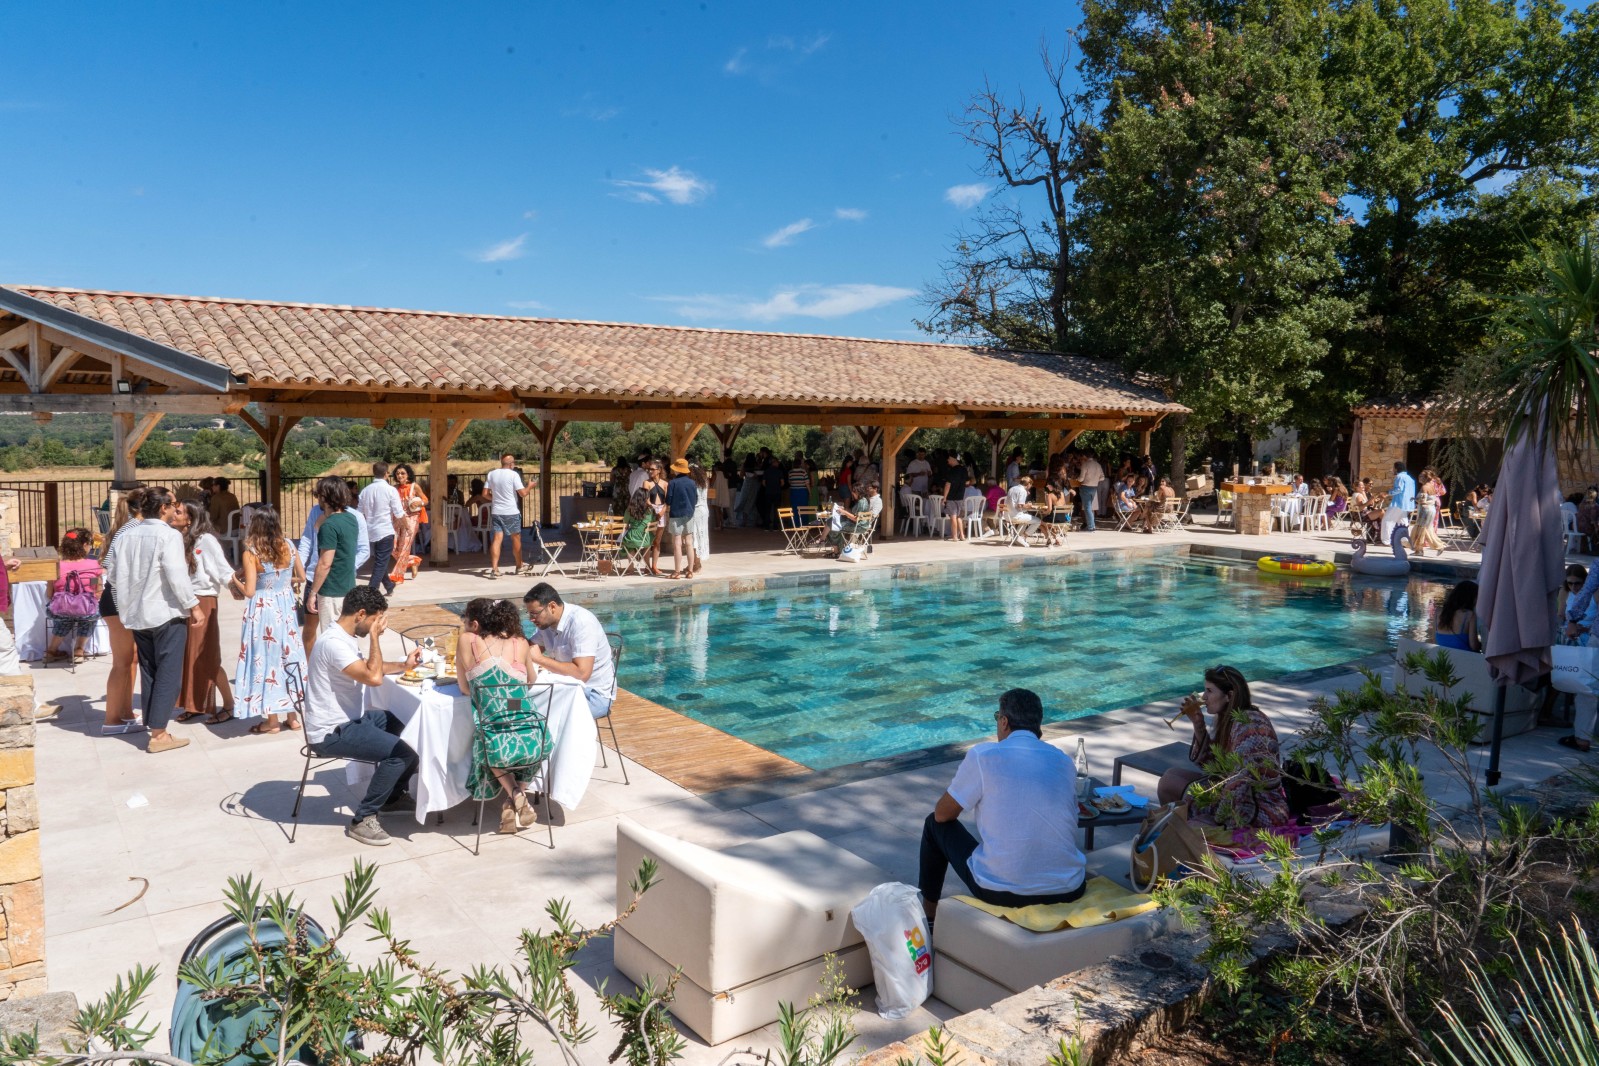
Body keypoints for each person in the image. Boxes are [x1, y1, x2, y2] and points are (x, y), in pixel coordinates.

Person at [918, 689, 1086, 923]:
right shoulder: (1063, 761)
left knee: (933, 825)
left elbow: (942, 814)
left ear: (1004, 721)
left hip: (1002, 891)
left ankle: (929, 916)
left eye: (997, 717)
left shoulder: (983, 756)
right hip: (1069, 888)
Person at [304, 587, 422, 847]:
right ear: (360, 614)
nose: (378, 626)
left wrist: (404, 666)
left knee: (409, 725)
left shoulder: (342, 636)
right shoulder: (334, 643)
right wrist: (375, 639)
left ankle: (392, 797)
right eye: (376, 620)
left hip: (351, 719)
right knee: (402, 753)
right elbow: (374, 678)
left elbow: (368, 668)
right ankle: (363, 818)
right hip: (331, 731)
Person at [104, 487, 204, 754]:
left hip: (136, 614)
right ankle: (159, 734)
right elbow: (176, 574)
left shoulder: (126, 535)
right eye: (174, 504)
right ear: (163, 508)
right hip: (164, 612)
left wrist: (130, 597)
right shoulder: (168, 535)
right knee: (169, 673)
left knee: (150, 670)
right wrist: (193, 605)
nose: (176, 508)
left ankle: (154, 725)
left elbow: (112, 575)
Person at [455, 597, 547, 834]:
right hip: (532, 734)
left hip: (494, 735)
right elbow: (531, 681)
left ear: (478, 622)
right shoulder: (520, 643)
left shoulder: (467, 640)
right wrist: (509, 698)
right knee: (542, 740)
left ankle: (514, 796)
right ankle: (516, 798)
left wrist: (491, 695)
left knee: (491, 744)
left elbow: (464, 689)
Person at [1158, 666, 1290, 829]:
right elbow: (1214, 767)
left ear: (1230, 696)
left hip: (1257, 810)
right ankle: (1174, 833)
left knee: (1173, 790)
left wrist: (1218, 821)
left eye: (1209, 691)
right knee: (1170, 777)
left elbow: (1240, 784)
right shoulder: (1231, 719)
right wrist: (1199, 725)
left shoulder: (1250, 728)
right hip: (1234, 793)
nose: (1204, 697)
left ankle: (1178, 834)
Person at [237, 506, 308, 734]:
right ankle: (293, 717)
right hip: (285, 606)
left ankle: (272, 721)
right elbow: (302, 577)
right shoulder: (289, 545)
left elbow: (249, 591)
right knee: (289, 655)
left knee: (267, 658)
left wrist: (233, 579)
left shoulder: (252, 553)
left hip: (263, 609)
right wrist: (282, 580)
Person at [170, 502, 239, 724]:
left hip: (203, 601)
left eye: (178, 512)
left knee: (207, 656)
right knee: (188, 656)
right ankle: (195, 704)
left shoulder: (206, 540)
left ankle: (229, 704)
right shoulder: (177, 539)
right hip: (183, 602)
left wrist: (236, 586)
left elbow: (222, 569)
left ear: (190, 518)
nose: (173, 514)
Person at [523, 582, 616, 718]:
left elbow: (582, 674)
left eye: (535, 613)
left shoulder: (582, 622)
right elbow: (528, 647)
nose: (531, 619)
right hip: (564, 690)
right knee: (517, 704)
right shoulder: (546, 624)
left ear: (552, 607)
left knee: (534, 712)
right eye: (529, 614)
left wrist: (540, 659)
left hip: (593, 695)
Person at [97, 493, 144, 735]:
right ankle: (112, 720)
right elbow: (110, 566)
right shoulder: (132, 529)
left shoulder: (130, 527)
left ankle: (125, 712)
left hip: (119, 601)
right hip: (117, 602)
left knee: (130, 659)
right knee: (121, 663)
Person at [307, 476, 361, 633]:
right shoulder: (351, 518)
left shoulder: (329, 526)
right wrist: (327, 512)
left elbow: (325, 564)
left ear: (325, 497)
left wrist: (312, 593)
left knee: (332, 639)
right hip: (348, 588)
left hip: (331, 592)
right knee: (347, 637)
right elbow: (318, 526)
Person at [44, 529, 102, 664]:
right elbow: (97, 590)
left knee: (64, 618)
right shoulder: (93, 565)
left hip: (60, 610)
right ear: (84, 545)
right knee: (90, 614)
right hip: (86, 610)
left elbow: (50, 594)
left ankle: (51, 651)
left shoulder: (56, 566)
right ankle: (79, 650)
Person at [356, 462, 407, 594]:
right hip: (385, 530)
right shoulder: (390, 490)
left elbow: (359, 512)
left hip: (370, 531)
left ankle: (389, 586)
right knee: (380, 562)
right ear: (386, 474)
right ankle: (371, 591)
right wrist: (407, 527)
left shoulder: (365, 491)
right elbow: (399, 512)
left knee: (380, 560)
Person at [484, 452, 530, 579]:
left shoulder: (491, 474)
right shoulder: (513, 475)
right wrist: (530, 486)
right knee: (516, 538)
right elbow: (523, 493)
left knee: (497, 539)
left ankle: (494, 569)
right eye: (514, 462)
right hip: (511, 511)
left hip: (496, 511)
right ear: (511, 464)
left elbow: (485, 494)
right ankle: (519, 566)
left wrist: (495, 499)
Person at [390, 463, 428, 584]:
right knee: (392, 546)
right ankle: (413, 561)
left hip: (412, 519)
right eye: (398, 473)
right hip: (397, 519)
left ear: (408, 475)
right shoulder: (394, 488)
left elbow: (425, 500)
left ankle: (398, 576)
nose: (400, 475)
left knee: (405, 546)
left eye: (403, 473)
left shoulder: (414, 486)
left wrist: (420, 503)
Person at [827, 481, 881, 556]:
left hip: (859, 527)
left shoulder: (862, 502)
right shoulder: (864, 500)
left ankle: (837, 552)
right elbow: (855, 515)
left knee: (834, 528)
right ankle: (839, 550)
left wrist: (844, 512)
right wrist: (844, 510)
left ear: (858, 492)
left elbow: (856, 519)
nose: (852, 493)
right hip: (860, 525)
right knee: (833, 524)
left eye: (854, 491)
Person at [665, 458, 698, 579]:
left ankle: (677, 572)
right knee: (689, 543)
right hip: (689, 514)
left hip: (676, 514)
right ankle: (690, 571)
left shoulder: (673, 483)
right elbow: (696, 499)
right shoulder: (692, 483)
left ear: (677, 470)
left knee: (677, 544)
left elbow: (668, 500)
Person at [1433, 580, 1480, 652]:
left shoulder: (1438, 612)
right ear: (1471, 598)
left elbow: (1434, 641)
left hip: (1443, 657)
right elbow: (1474, 646)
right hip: (1464, 657)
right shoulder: (1469, 615)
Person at [1411, 468, 1446, 556]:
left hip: (1425, 510)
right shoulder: (1431, 486)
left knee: (1421, 529)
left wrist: (1414, 499)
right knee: (1426, 529)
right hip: (1431, 509)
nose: (1419, 478)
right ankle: (1419, 550)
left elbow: (1423, 500)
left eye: (1421, 476)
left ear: (1425, 478)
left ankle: (1436, 546)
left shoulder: (1424, 487)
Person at [1381, 461, 1416, 548]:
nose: (1392, 470)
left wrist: (1387, 492)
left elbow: (1399, 489)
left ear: (1396, 469)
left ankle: (1387, 541)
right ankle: (1404, 541)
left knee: (1387, 520)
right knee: (1402, 522)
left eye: (1393, 468)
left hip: (1398, 503)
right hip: (1407, 504)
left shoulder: (1399, 477)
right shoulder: (1410, 478)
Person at [939, 454, 968, 541]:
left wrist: (944, 497)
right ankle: (962, 535)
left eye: (949, 458)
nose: (948, 460)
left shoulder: (951, 471)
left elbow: (948, 484)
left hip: (951, 497)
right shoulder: (964, 469)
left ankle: (955, 536)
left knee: (953, 517)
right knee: (959, 517)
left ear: (953, 459)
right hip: (960, 496)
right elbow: (967, 482)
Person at [689, 461, 711, 571]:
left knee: (694, 538)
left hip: (696, 511)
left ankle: (696, 564)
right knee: (702, 536)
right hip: (704, 510)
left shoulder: (693, 483)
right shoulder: (705, 481)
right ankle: (696, 562)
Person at [1006, 476, 1041, 541]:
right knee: (1038, 521)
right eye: (1031, 484)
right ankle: (1023, 537)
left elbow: (1015, 503)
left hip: (1007, 516)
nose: (1031, 486)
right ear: (1028, 484)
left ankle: (1016, 538)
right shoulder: (1022, 491)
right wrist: (1028, 505)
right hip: (1016, 516)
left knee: (1025, 520)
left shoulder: (1012, 488)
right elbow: (1020, 506)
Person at [1077, 452, 1105, 532]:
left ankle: (1091, 527)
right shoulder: (1098, 465)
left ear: (1085, 456)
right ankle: (1092, 525)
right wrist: (1095, 480)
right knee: (1090, 508)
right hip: (1094, 487)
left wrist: (1077, 479)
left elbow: (1081, 479)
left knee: (1087, 508)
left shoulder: (1085, 464)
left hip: (1086, 487)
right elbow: (1102, 478)